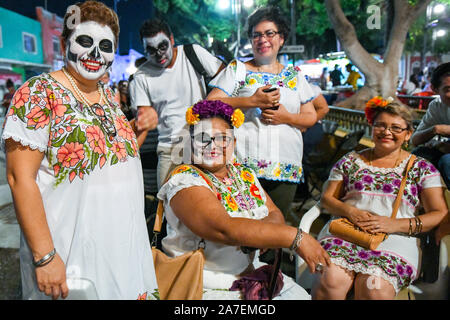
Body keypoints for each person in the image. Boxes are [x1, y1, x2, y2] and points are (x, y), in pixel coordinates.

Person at [2, 1, 158, 300]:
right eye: (85, 42)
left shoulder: (107, 95)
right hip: (71, 256)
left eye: (105, 45)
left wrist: (140, 130)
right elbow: (19, 179)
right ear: (64, 44)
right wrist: (45, 256)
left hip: (122, 252)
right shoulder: (37, 93)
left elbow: (110, 157)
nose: (95, 54)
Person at [157, 99, 331, 300]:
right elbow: (224, 228)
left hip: (253, 275)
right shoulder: (185, 181)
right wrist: (294, 237)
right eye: (202, 138)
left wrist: (260, 234)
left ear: (234, 143)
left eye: (222, 138)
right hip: (203, 286)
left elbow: (274, 213)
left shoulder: (243, 175)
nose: (212, 145)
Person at [312, 99, 448, 300]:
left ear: (408, 134)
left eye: (396, 128)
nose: (387, 132)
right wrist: (351, 212)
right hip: (346, 232)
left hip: (397, 238)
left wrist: (393, 224)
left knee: (374, 288)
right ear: (372, 127)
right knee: (330, 280)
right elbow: (327, 199)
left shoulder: (422, 169)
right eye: (381, 126)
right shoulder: (350, 161)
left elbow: (439, 212)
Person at [207, 6, 317, 219]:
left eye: (269, 33)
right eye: (256, 35)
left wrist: (287, 117)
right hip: (242, 164)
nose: (262, 39)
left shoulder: (294, 75)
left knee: (276, 226)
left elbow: (311, 116)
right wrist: (250, 101)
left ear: (281, 38)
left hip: (285, 166)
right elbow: (210, 104)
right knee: (242, 225)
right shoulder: (238, 70)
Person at [129, 18, 225, 189]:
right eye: (151, 50)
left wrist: (211, 106)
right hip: (169, 150)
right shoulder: (141, 77)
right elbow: (143, 124)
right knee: (167, 207)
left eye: (162, 46)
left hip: (204, 144)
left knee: (210, 203)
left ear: (172, 40)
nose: (159, 54)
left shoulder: (192, 53)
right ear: (143, 50)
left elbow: (226, 77)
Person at [411, 62, 450, 188]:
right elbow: (415, 140)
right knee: (420, 155)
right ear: (434, 89)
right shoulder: (437, 106)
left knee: (447, 161)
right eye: (448, 89)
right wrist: (435, 129)